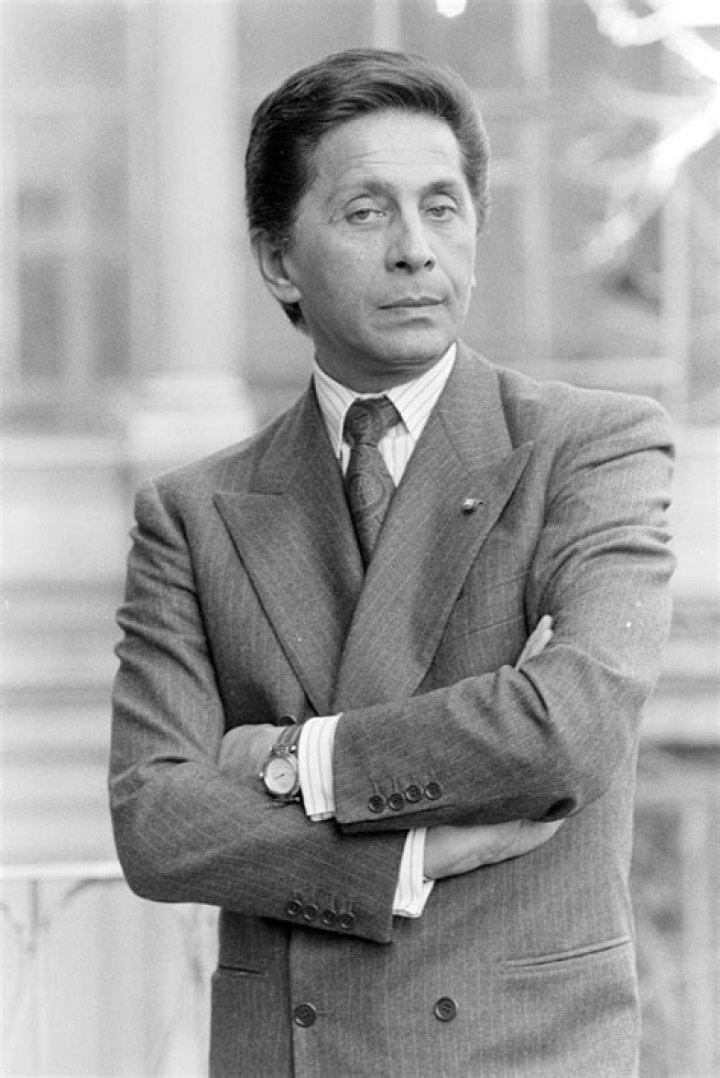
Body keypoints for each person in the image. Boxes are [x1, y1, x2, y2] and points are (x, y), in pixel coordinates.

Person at [109, 48, 675, 1077]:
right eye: (366, 212)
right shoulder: (192, 515)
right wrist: (412, 855)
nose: (416, 251)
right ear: (279, 259)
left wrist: (294, 760)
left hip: (525, 1057)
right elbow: (156, 825)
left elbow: (570, 729)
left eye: (443, 208)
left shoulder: (589, 447)